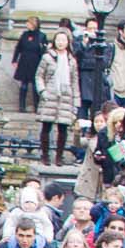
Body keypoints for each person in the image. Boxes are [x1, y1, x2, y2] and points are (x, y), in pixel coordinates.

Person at [36, 30, 79, 166]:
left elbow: (74, 81)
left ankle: (59, 156)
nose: (61, 43)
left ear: (68, 42)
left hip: (66, 95)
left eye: (63, 40)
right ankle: (45, 154)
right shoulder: (47, 57)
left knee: (63, 128)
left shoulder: (71, 60)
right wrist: (43, 91)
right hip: (50, 93)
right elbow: (39, 75)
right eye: (58, 40)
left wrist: (76, 100)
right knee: (46, 126)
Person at [77, 16, 111, 117]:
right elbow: (77, 61)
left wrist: (86, 62)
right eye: (90, 28)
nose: (92, 31)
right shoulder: (80, 43)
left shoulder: (106, 45)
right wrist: (84, 44)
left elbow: (103, 63)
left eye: (94, 29)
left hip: (98, 83)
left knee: (96, 114)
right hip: (83, 83)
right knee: (82, 113)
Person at [11, 16, 46, 114]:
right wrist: (14, 60)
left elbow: (43, 50)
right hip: (24, 61)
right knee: (24, 85)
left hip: (36, 62)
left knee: (35, 86)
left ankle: (36, 106)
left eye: (29, 23)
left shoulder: (41, 36)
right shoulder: (25, 35)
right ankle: (22, 106)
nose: (27, 25)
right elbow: (18, 48)